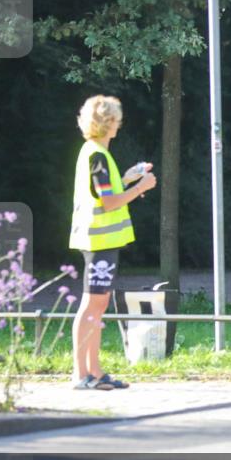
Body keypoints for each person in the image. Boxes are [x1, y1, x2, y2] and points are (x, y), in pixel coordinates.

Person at [69, 95, 157, 390]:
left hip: (100, 241)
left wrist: (129, 179)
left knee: (97, 304)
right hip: (98, 241)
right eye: (116, 120)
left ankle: (94, 372)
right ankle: (82, 374)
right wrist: (141, 186)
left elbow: (106, 192)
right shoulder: (96, 156)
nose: (119, 124)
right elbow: (108, 203)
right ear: (107, 123)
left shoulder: (95, 154)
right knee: (92, 305)